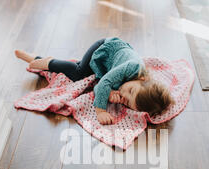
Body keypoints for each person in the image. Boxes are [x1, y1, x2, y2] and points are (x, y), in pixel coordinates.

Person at [15, 37, 173, 125]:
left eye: (127, 102)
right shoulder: (133, 66)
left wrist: (110, 93)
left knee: (83, 74)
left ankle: (35, 59)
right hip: (104, 49)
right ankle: (49, 63)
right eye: (131, 91)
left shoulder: (131, 88)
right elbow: (104, 82)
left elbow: (98, 87)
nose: (124, 94)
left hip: (105, 66)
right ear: (143, 78)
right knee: (79, 74)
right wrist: (101, 110)